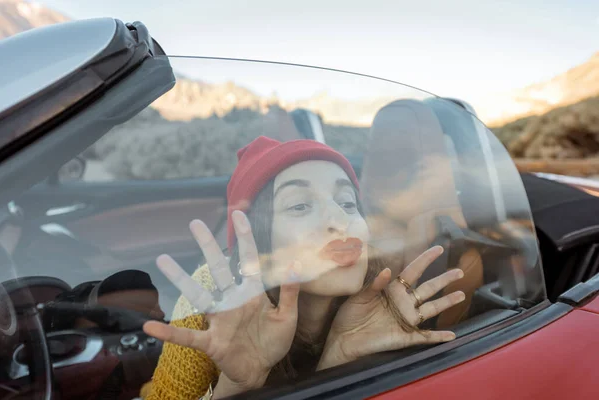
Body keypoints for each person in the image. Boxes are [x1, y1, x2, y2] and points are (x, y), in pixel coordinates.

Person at [141, 136, 466, 400]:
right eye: (299, 205)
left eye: (348, 203)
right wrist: (238, 388)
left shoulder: (389, 293)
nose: (341, 221)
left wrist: (336, 362)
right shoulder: (211, 300)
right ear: (258, 239)